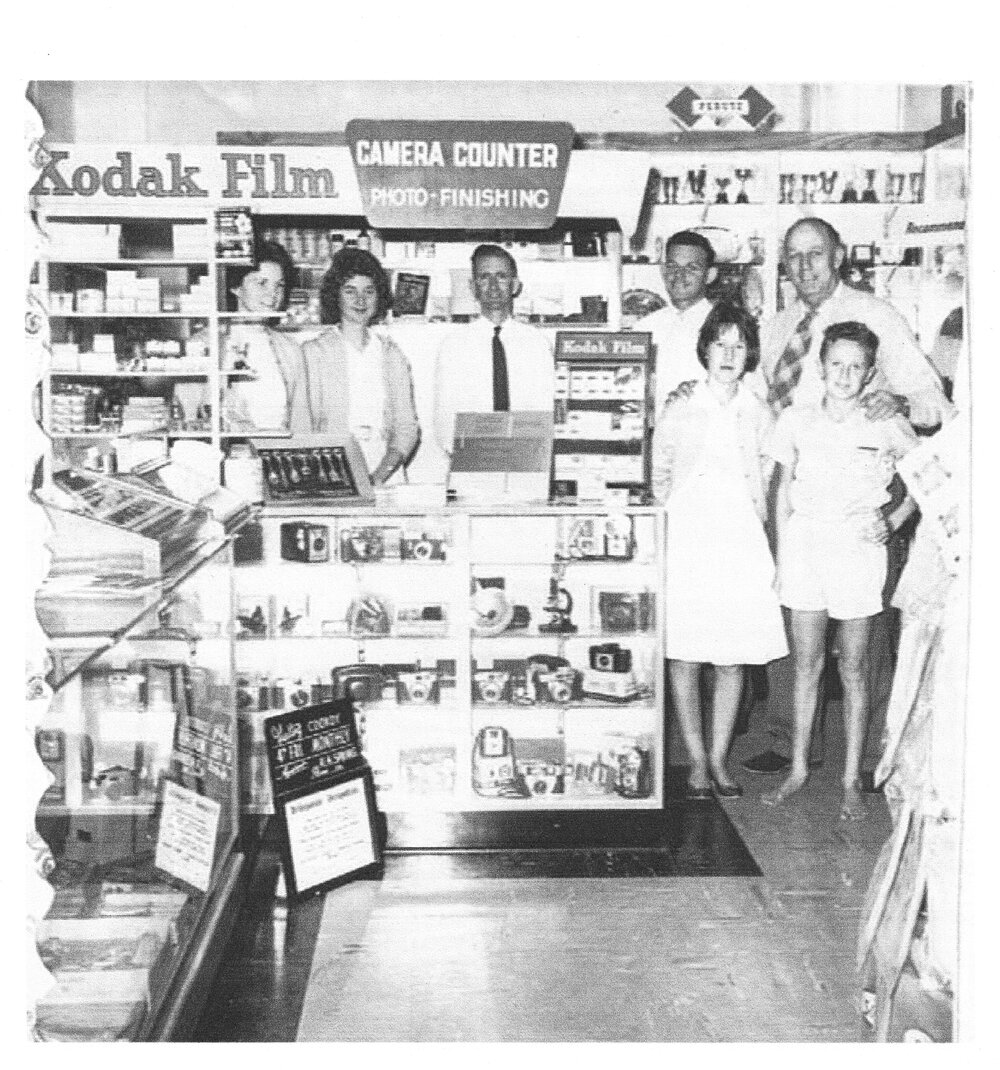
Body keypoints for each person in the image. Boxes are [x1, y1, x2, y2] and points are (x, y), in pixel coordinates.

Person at [739, 217, 952, 779]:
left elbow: (932, 400)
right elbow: (762, 399)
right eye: (793, 255)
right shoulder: (780, 322)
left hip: (859, 493)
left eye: (815, 254)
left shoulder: (875, 316)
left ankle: (875, 755)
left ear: (838, 256)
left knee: (864, 640)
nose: (803, 266)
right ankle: (791, 743)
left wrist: (898, 407)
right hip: (793, 486)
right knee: (794, 617)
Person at [761, 322, 918, 820]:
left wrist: (893, 520)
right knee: (806, 665)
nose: (845, 375)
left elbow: (929, 476)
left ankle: (851, 776)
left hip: (857, 546)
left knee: (853, 668)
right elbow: (782, 493)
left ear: (870, 372)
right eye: (836, 364)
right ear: (821, 366)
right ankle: (799, 770)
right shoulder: (795, 420)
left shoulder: (885, 422)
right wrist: (783, 555)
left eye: (856, 366)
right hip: (806, 544)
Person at [652, 303, 787, 800]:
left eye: (739, 345)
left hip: (739, 541)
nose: (729, 354)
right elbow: (659, 471)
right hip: (688, 537)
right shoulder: (680, 405)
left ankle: (718, 758)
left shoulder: (759, 411)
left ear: (750, 353)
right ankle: (694, 762)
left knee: (732, 658)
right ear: (704, 350)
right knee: (685, 654)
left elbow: (771, 480)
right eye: (720, 344)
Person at [303, 247, 420, 485]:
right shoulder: (314, 352)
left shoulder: (392, 354)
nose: (360, 300)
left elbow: (407, 427)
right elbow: (307, 426)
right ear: (335, 295)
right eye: (350, 291)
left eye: (369, 291)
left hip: (387, 473)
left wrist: (378, 476)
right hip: (331, 473)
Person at [177, 240, 312, 432]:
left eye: (279, 285)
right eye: (261, 282)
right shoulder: (204, 344)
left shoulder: (290, 349)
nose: (272, 294)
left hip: (275, 455)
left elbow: (301, 422)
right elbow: (188, 420)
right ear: (235, 287)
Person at [433, 244, 553, 456]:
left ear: (515, 285)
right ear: (473, 286)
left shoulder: (537, 344)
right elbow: (445, 416)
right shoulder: (454, 346)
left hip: (527, 457)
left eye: (501, 276)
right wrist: (463, 455)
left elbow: (546, 409)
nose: (493, 285)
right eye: (484, 277)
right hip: (470, 457)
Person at [635, 230, 717, 416]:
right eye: (672, 267)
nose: (680, 275)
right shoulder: (645, 327)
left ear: (710, 275)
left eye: (692, 268)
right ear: (664, 271)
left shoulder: (725, 326)